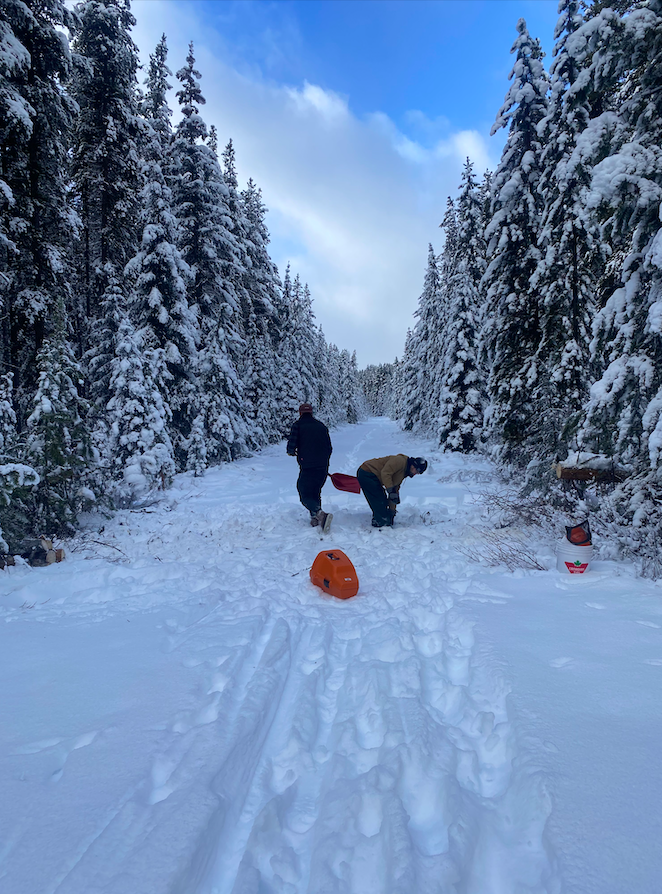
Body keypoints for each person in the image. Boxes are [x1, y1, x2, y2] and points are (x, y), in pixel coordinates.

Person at [287, 403, 333, 532]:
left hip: (307, 466)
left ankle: (319, 513)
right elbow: (329, 448)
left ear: (300, 413)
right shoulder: (321, 426)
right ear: (311, 412)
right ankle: (315, 518)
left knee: (304, 491)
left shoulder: (298, 425)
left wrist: (293, 452)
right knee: (315, 490)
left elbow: (291, 446)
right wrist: (323, 461)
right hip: (322, 466)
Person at [356, 455, 427, 527]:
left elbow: (395, 490)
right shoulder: (400, 461)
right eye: (417, 471)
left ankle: (382, 519)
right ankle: (379, 522)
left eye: (418, 473)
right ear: (413, 465)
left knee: (383, 500)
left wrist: (392, 511)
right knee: (379, 499)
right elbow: (385, 473)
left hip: (375, 477)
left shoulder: (404, 472)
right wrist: (390, 490)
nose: (416, 474)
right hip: (367, 473)